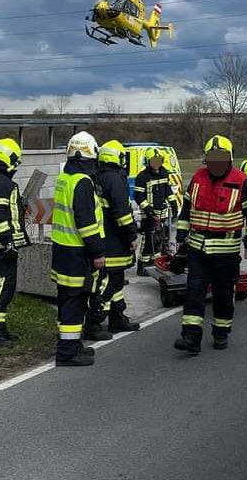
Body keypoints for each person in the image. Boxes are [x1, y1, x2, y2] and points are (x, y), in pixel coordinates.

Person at [172, 135, 247, 355]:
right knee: (194, 293)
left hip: (226, 252)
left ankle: (221, 333)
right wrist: (181, 234)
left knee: (223, 295)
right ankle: (191, 338)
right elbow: (186, 210)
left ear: (229, 158)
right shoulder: (198, 177)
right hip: (198, 249)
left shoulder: (242, 181)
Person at [51, 131, 106, 367]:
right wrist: (98, 252)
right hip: (77, 252)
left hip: (62, 249)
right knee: (74, 302)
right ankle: (67, 353)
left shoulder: (65, 177)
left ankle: (71, 345)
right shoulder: (83, 182)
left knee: (67, 299)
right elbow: (86, 222)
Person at [86, 140, 140, 338]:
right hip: (115, 241)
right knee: (110, 282)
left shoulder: (96, 177)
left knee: (114, 280)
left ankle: (117, 318)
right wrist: (132, 235)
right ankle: (93, 322)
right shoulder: (115, 179)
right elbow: (122, 213)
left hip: (102, 239)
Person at [0, 138, 32, 349]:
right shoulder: (1, 183)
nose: (16, 166)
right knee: (2, 288)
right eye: (15, 160)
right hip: (2, 246)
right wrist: (8, 242)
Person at [134, 148, 174, 276]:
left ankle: (154, 264)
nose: (157, 163)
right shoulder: (142, 177)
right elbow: (138, 196)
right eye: (154, 161)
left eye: (159, 160)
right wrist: (150, 212)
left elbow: (168, 191)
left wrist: (174, 204)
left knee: (159, 240)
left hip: (162, 214)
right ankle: (142, 266)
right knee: (148, 240)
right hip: (149, 215)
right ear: (148, 161)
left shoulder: (164, 173)